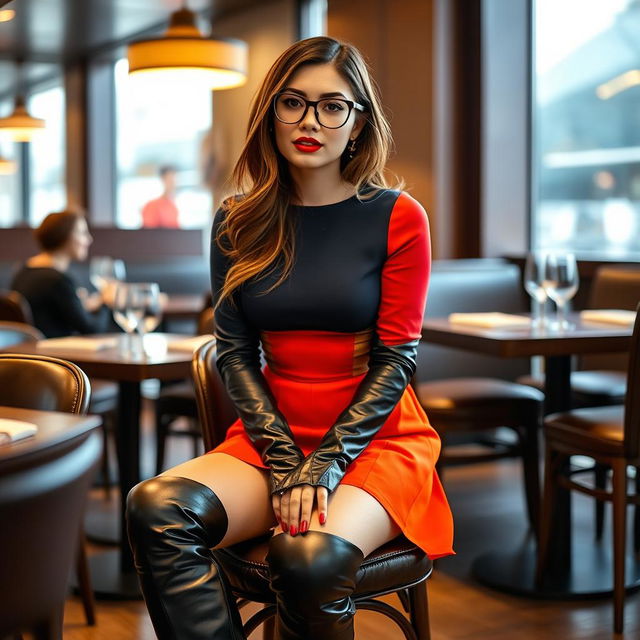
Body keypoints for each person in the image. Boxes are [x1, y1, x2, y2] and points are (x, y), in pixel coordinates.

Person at [127, 36, 454, 640]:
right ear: (271, 112)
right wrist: (285, 461)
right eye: (294, 103)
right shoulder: (236, 219)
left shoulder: (398, 215)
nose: (311, 121)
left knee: (306, 558)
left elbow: (396, 357)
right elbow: (234, 350)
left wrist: (323, 466)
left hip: (372, 441)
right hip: (271, 435)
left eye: (333, 106)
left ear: (357, 122)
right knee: (157, 509)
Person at [11, 209, 114, 338]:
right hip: (54, 355)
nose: (89, 239)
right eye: (83, 233)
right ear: (64, 236)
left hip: (25, 352)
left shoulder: (23, 271)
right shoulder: (56, 280)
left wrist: (84, 304)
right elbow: (90, 328)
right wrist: (105, 301)